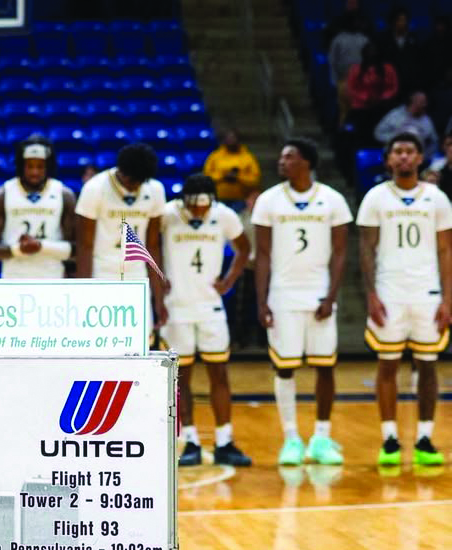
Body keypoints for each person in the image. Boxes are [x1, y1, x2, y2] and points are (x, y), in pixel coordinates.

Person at [253, 137, 352, 466]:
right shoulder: (268, 201)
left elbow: (340, 253)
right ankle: (291, 438)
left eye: (290, 157)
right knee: (285, 369)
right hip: (283, 295)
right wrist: (262, 299)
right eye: (282, 157)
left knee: (326, 368)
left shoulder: (332, 200)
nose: (282, 162)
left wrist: (332, 295)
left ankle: (322, 437)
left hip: (319, 294)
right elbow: (263, 255)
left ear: (307, 162)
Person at [357, 131, 452, 467]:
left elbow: (445, 250)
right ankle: (389, 439)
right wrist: (370, 294)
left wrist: (448, 299)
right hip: (389, 292)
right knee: (387, 366)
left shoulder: (437, 198)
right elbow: (366, 248)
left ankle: (425, 438)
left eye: (410, 151)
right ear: (388, 159)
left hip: (427, 293)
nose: (403, 156)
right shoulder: (375, 197)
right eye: (397, 151)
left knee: (428, 365)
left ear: (420, 157)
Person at [160, 174, 251, 467]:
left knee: (219, 373)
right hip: (176, 307)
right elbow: (146, 246)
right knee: (182, 378)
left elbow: (244, 248)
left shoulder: (224, 215)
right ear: (184, 201)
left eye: (204, 205)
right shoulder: (166, 214)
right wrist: (159, 280)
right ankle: (190, 441)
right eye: (194, 205)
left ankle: (225, 440)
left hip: (210, 307)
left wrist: (229, 280)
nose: (199, 210)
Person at [75, 142, 167, 325]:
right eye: (132, 181)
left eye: (140, 182)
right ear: (121, 172)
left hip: (136, 272)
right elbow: (85, 246)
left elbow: (153, 245)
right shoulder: (95, 188)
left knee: (141, 339)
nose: (134, 187)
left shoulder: (155, 190)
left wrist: (159, 298)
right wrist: (82, 292)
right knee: (102, 336)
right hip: (102, 271)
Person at [0, 135, 77, 279]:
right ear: (21, 165)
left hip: (52, 278)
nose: (35, 172)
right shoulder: (2, 194)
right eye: (30, 166)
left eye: (40, 166)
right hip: (13, 278)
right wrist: (18, 249)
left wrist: (41, 246)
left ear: (49, 166)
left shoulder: (64, 195)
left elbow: (75, 250)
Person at [202, 129, 261, 206]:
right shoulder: (215, 156)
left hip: (241, 200)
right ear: (224, 140)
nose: (231, 140)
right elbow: (206, 177)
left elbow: (255, 179)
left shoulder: (248, 157)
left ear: (238, 140)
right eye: (228, 138)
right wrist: (223, 176)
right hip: (219, 199)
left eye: (233, 138)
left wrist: (238, 177)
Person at [328, 12, 369, 125]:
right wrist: (334, 81)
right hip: (343, 81)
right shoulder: (338, 40)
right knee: (344, 112)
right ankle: (342, 136)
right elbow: (332, 60)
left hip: (361, 82)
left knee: (361, 111)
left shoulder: (364, 39)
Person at [374, 91, 438, 157]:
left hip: (416, 159)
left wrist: (425, 157)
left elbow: (434, 142)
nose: (425, 105)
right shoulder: (395, 115)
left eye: (425, 102)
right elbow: (378, 133)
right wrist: (397, 138)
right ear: (413, 102)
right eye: (422, 102)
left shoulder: (426, 120)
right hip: (394, 156)